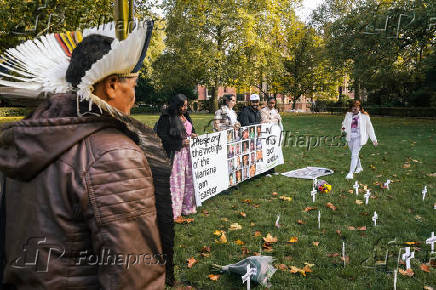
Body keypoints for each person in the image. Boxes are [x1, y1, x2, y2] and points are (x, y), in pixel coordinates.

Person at [0, 23, 175, 288]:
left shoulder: (27, 139)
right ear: (112, 85)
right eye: (134, 84)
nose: (135, 97)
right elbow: (133, 273)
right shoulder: (114, 155)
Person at [156, 94, 198, 218]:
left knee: (188, 181)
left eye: (186, 105)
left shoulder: (186, 115)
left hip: (188, 155)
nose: (186, 107)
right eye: (183, 105)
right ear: (177, 105)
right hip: (175, 155)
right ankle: (174, 211)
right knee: (176, 183)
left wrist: (193, 134)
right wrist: (179, 143)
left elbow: (190, 129)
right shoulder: (166, 117)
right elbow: (162, 137)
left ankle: (187, 207)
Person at [341, 100, 378, 180]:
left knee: (354, 154)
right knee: (355, 153)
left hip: (359, 138)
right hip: (350, 137)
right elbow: (344, 124)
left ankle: (350, 173)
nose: (354, 109)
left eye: (356, 107)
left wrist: (374, 139)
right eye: (353, 107)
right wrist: (343, 132)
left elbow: (369, 128)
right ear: (351, 108)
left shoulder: (365, 116)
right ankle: (359, 167)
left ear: (359, 108)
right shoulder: (348, 115)